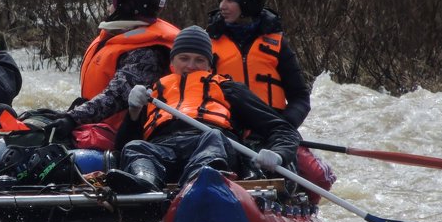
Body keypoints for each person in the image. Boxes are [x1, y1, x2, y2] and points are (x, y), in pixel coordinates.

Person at [104, 25, 302, 195]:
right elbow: (123, 146)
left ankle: (199, 180)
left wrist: (278, 154)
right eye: (184, 58)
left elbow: (282, 128)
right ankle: (144, 181)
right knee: (136, 147)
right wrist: (134, 111)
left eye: (199, 60)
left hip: (209, 143)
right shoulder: (154, 94)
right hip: (165, 149)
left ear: (209, 66)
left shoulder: (228, 88)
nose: (191, 65)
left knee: (214, 136)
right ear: (172, 63)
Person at [206, 0, 335, 198]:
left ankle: (300, 210)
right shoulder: (209, 43)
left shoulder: (276, 44)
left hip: (273, 128)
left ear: (248, 3)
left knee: (317, 178)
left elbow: (299, 98)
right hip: (230, 129)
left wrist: (281, 126)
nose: (222, 6)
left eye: (230, 0)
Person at [45, 0, 180, 149]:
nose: (109, 7)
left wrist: (72, 118)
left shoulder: (148, 53)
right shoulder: (128, 35)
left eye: (113, 2)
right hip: (96, 124)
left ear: (128, 7)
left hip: (121, 136)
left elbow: (115, 97)